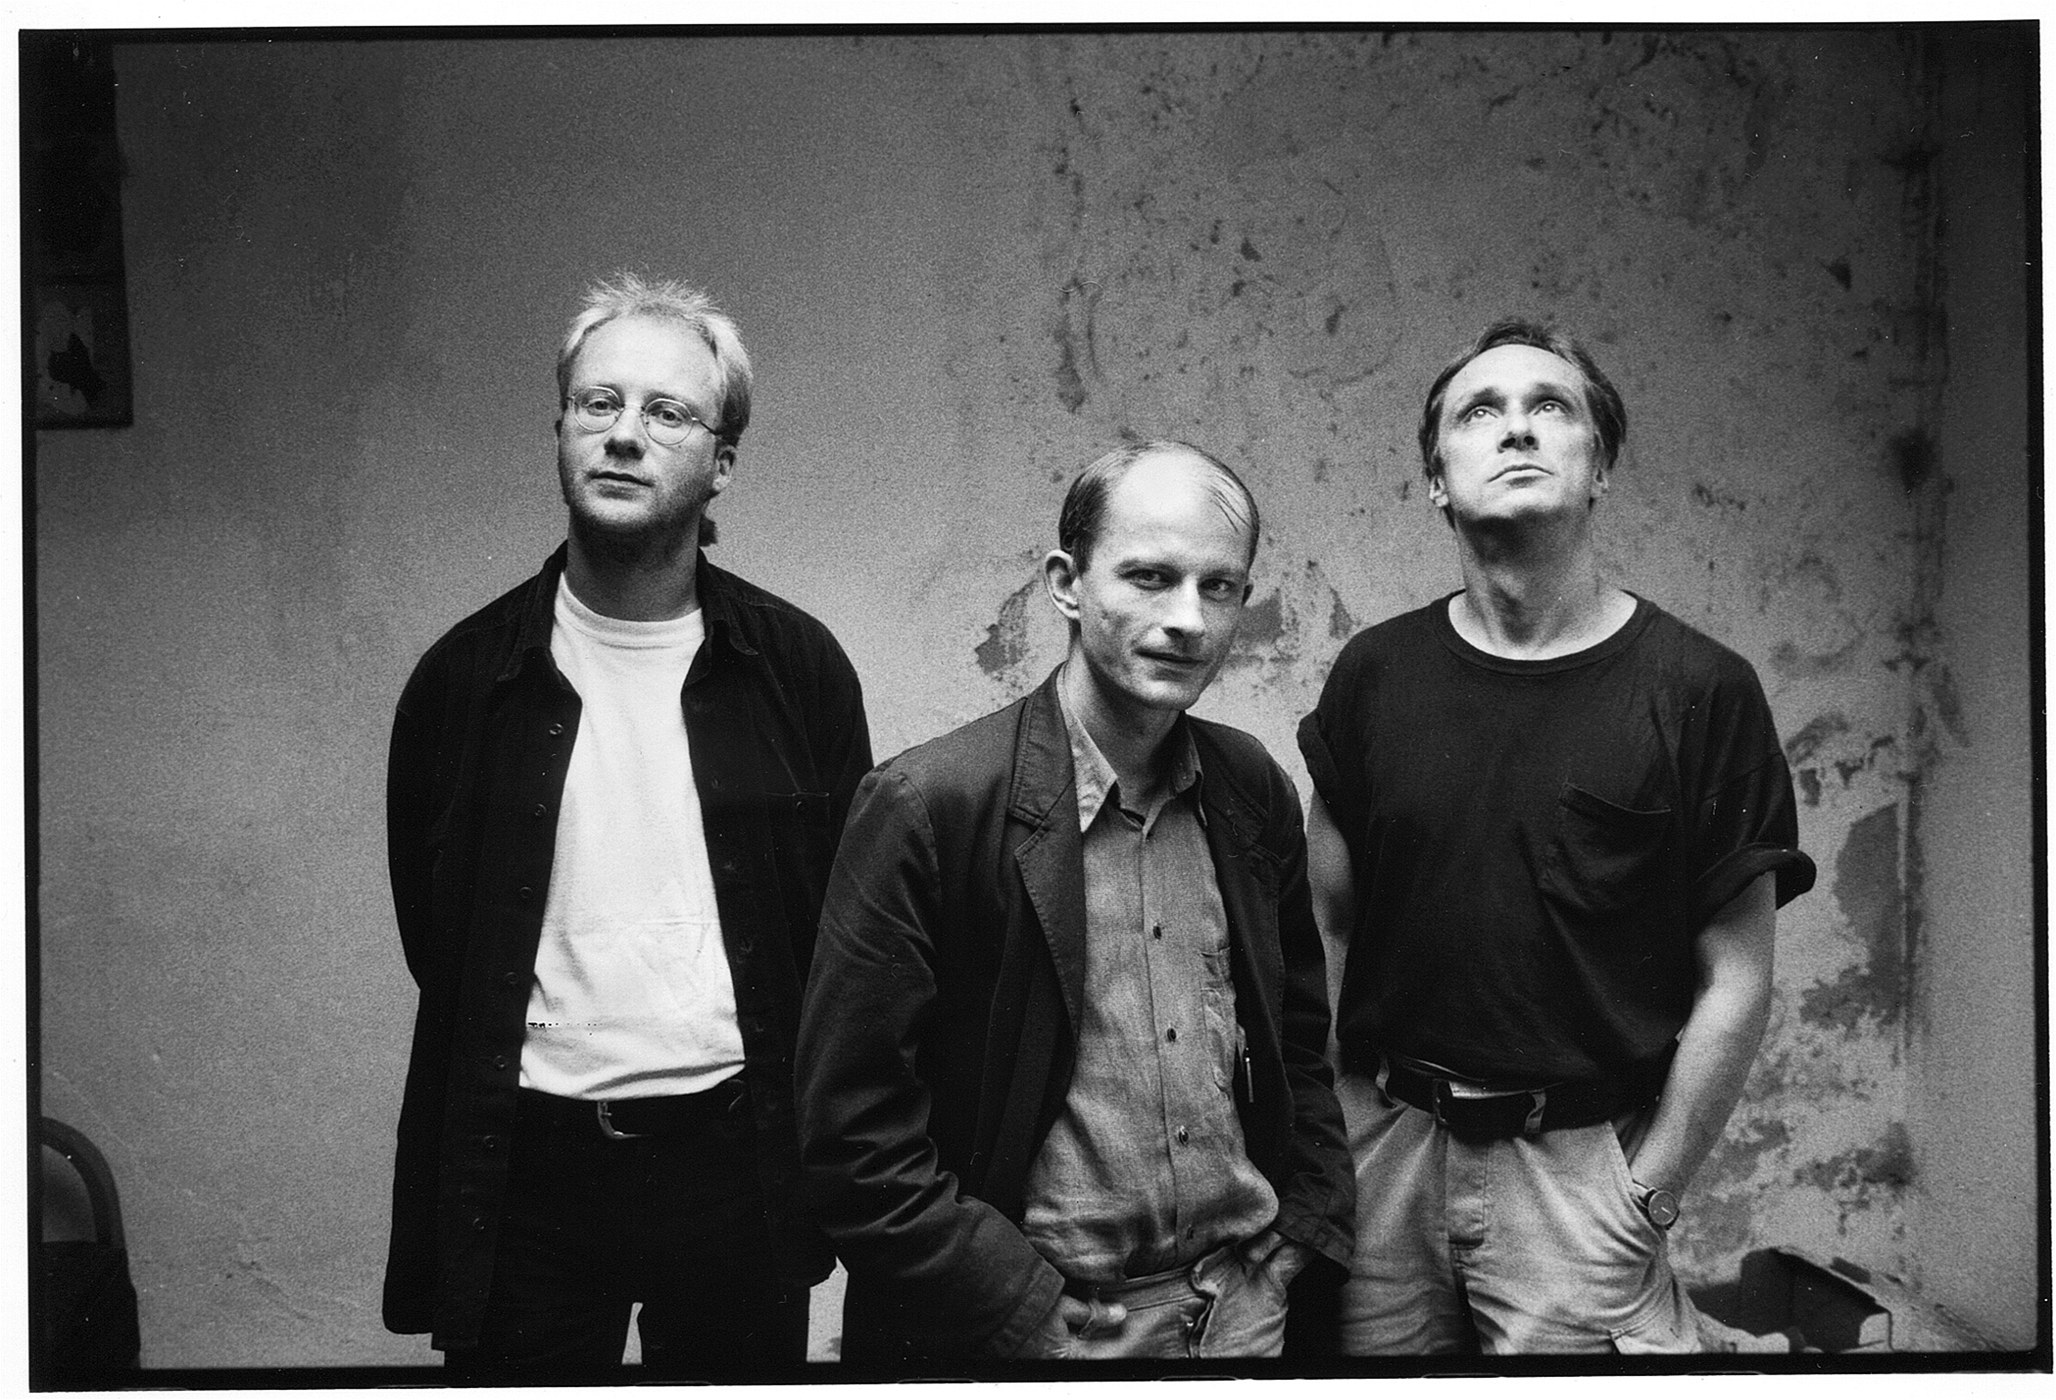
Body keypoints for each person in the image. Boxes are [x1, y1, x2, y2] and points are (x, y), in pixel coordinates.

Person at [381, 272, 872, 1379]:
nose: (623, 434)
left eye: (667, 412)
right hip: (529, 1166)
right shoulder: (465, 680)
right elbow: (438, 937)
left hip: (737, 1157)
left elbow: (840, 927)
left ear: (722, 461)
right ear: (560, 429)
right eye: (597, 403)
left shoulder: (796, 668)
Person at [1298, 319, 1817, 1354]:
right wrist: (1336, 1131)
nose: (1516, 428)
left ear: (1599, 467)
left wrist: (1648, 1193)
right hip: (1386, 1154)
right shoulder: (1374, 675)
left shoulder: (1700, 689)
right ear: (1436, 480)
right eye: (1479, 412)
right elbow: (1327, 925)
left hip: (1579, 1179)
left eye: (1551, 405)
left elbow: (1737, 976)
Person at [796, 441, 1353, 1369]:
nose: (1188, 619)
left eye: (1219, 587)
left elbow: (1297, 1037)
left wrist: (1306, 1224)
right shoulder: (929, 806)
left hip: (1244, 1310)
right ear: (1066, 584)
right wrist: (1016, 1306)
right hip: (1045, 1334)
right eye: (1149, 577)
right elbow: (852, 1132)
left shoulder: (1249, 787)